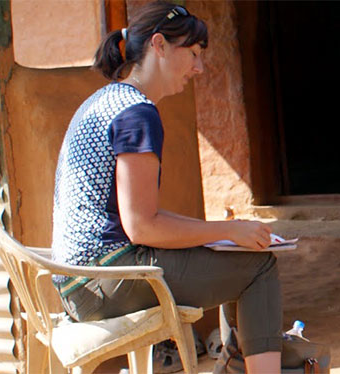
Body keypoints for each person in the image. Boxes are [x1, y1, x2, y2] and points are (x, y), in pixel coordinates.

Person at [52, 2, 282, 372]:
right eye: (192, 54)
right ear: (158, 45)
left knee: (228, 256)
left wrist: (216, 236)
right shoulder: (137, 113)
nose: (199, 67)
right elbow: (142, 226)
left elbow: (139, 217)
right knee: (259, 268)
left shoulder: (104, 100)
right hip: (109, 278)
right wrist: (228, 229)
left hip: (79, 281)